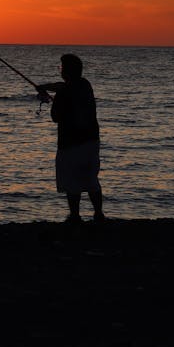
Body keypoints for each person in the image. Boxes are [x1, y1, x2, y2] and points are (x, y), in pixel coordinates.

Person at [36, 54, 105, 224]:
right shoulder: (85, 85)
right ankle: (98, 214)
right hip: (91, 140)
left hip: (71, 143)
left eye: (61, 67)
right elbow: (63, 86)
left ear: (66, 70)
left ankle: (75, 216)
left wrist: (49, 99)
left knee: (71, 180)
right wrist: (45, 87)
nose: (60, 70)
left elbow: (56, 117)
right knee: (90, 179)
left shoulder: (64, 92)